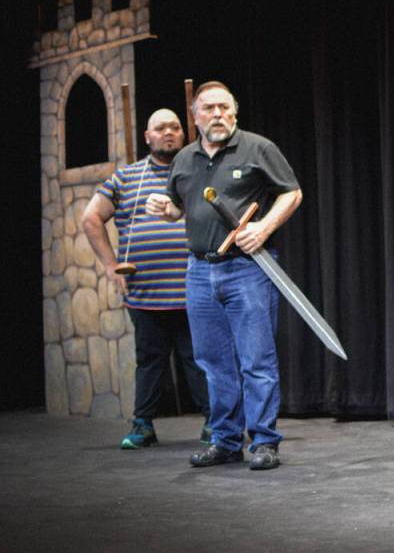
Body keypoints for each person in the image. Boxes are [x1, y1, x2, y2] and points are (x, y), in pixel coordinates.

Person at [146, 81, 302, 471]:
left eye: (224, 107)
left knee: (256, 360)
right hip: (199, 271)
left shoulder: (257, 148)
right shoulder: (184, 158)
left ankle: (264, 441)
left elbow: (292, 193)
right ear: (195, 116)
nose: (218, 114)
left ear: (235, 111)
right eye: (209, 108)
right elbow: (179, 208)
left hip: (246, 269)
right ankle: (226, 441)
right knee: (213, 362)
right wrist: (164, 208)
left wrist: (263, 228)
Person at [82, 109, 211, 449]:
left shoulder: (198, 172)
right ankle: (142, 426)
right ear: (147, 136)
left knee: (199, 358)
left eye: (174, 127)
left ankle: (216, 423)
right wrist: (110, 265)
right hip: (146, 291)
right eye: (160, 128)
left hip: (194, 288)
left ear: (184, 133)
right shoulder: (126, 178)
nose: (168, 132)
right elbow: (91, 217)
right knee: (150, 360)